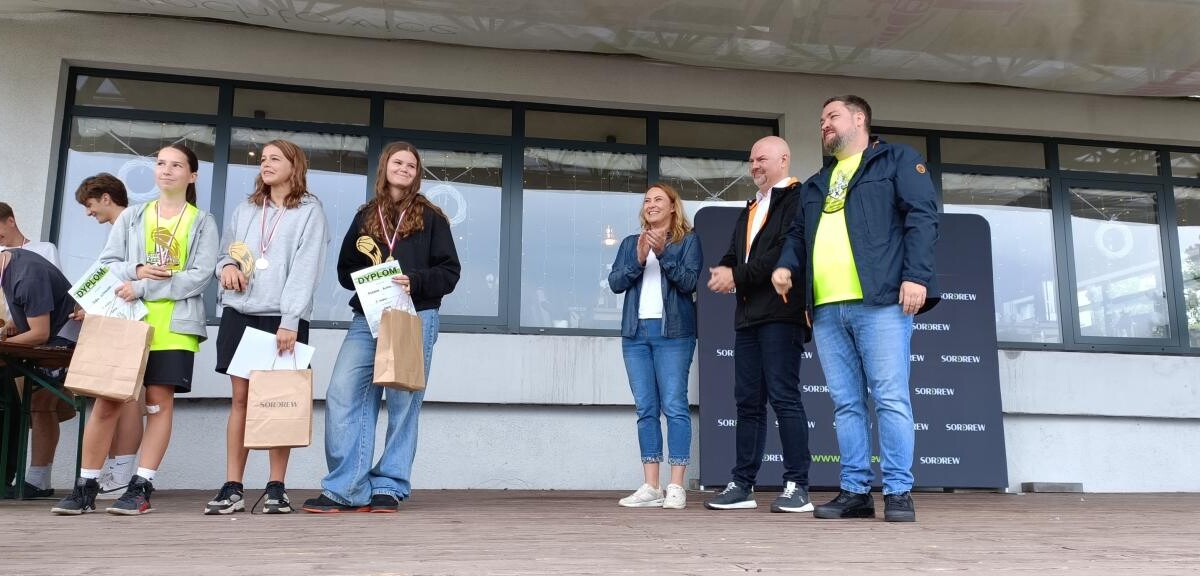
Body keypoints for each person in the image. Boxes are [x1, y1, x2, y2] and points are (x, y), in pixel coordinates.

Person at [773, 95, 939, 522]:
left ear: (859, 118)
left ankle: (899, 492)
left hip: (881, 300)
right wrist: (786, 269)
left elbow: (923, 214)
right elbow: (796, 237)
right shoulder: (814, 183)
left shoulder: (897, 160)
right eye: (821, 118)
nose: (824, 124)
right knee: (846, 404)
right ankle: (855, 491)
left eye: (832, 116)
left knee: (889, 398)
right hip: (827, 308)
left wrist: (916, 275)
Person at [51, 143, 219, 516]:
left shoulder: (203, 221)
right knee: (109, 401)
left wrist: (143, 285)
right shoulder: (134, 216)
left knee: (158, 404)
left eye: (177, 165)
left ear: (192, 175)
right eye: (161, 163)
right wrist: (137, 269)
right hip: (127, 322)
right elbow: (108, 264)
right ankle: (86, 485)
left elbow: (199, 277)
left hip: (175, 325)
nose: (167, 170)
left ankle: (141, 485)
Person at [302, 141, 459, 513]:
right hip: (368, 318)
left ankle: (389, 485)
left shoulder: (432, 217)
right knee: (343, 393)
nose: (404, 168)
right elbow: (345, 270)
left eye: (411, 164)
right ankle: (346, 487)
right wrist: (373, 280)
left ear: (417, 173)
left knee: (403, 402)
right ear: (385, 168)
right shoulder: (365, 215)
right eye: (398, 162)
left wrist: (414, 280)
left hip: (414, 316)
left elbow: (449, 272)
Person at [206, 140, 328, 515]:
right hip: (239, 314)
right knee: (240, 400)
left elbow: (307, 267)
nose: (265, 164)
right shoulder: (246, 208)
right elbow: (228, 250)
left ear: (296, 165)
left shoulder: (310, 211)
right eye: (262, 159)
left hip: (282, 318)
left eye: (275, 158)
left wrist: (290, 319)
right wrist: (224, 268)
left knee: (277, 401)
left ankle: (276, 486)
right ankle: (233, 486)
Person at [703, 136, 814, 513]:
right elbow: (736, 254)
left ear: (784, 159)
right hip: (748, 317)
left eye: (761, 159)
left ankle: (797, 484)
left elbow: (778, 255)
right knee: (748, 402)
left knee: (784, 398)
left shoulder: (799, 199)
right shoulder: (750, 208)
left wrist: (736, 277)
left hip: (782, 313)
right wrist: (723, 271)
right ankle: (742, 484)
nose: (755, 166)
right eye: (751, 160)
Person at [608, 183, 701, 510]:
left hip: (674, 333)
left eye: (658, 199)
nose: (651, 204)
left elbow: (690, 282)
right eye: (647, 200)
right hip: (635, 335)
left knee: (674, 405)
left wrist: (663, 255)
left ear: (673, 207)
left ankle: (676, 485)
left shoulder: (687, 241)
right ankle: (651, 485)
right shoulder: (630, 243)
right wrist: (638, 258)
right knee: (645, 408)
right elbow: (616, 283)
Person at [73, 173, 144, 500]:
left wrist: (97, 304)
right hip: (126, 316)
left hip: (132, 317)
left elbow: (129, 273)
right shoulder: (124, 226)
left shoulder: (130, 223)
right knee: (123, 395)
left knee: (127, 396)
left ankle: (120, 473)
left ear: (106, 197)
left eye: (89, 204)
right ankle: (117, 470)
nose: (88, 213)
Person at [0, 202, 74, 499]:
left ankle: (37, 478)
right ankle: (28, 478)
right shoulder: (11, 264)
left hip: (61, 344)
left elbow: (42, 328)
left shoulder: (29, 268)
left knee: (43, 402)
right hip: (36, 341)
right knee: (29, 402)